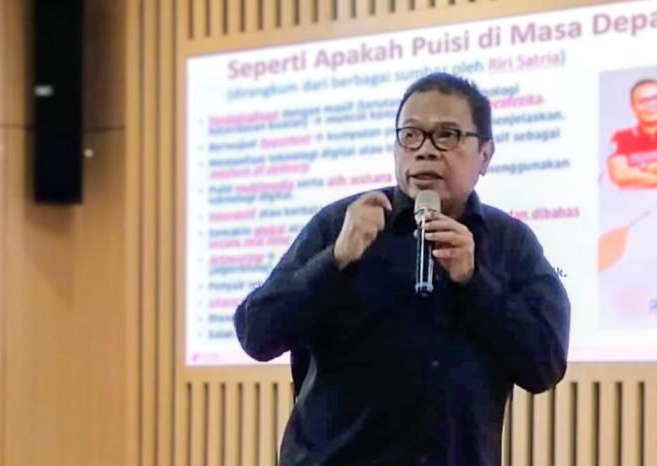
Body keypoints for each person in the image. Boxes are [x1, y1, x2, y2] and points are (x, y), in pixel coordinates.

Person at [233, 72, 570, 466]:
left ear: (485, 155)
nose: (425, 151)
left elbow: (544, 365)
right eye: (410, 135)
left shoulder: (509, 243)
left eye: (447, 135)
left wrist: (475, 281)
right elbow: (257, 333)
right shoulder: (341, 225)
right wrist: (336, 260)